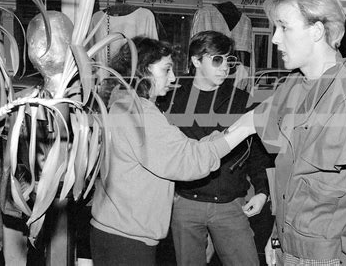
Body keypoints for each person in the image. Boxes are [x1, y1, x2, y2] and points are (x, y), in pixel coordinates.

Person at [228, 0, 346, 265]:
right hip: (286, 249)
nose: (275, 39)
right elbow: (293, 180)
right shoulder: (293, 86)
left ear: (316, 31)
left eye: (284, 27)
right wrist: (277, 237)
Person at [89, 37, 253, 266]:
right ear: (143, 71)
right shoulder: (140, 113)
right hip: (128, 239)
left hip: (115, 230)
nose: (174, 78)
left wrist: (228, 134)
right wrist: (245, 129)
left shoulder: (123, 103)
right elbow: (188, 161)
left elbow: (182, 149)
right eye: (166, 70)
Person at [158, 30, 271, 266]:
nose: (224, 68)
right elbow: (161, 152)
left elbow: (257, 151)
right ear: (196, 61)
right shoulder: (171, 98)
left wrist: (262, 191)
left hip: (230, 203)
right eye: (217, 60)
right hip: (186, 202)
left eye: (229, 61)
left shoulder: (241, 100)